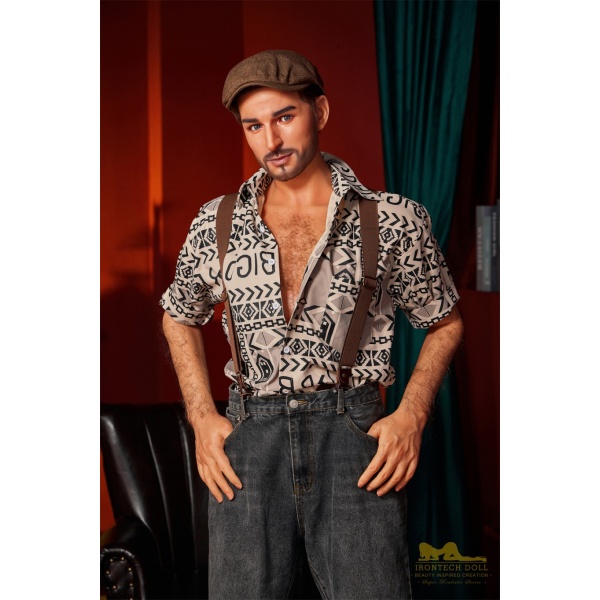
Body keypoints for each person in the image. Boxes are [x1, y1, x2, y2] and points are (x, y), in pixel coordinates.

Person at [161, 49, 463, 600]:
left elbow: (445, 322)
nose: (271, 140)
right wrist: (202, 417)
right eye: (254, 125)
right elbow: (178, 316)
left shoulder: (393, 219)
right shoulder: (217, 221)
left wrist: (412, 415)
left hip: (352, 436)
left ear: (319, 112)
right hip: (249, 439)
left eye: (284, 117)